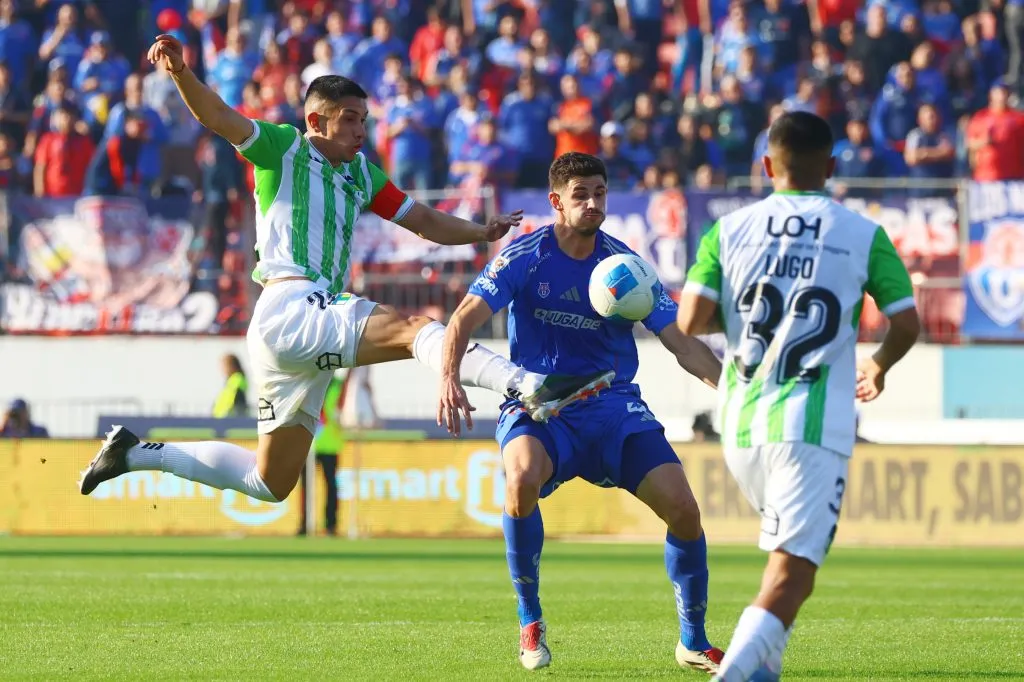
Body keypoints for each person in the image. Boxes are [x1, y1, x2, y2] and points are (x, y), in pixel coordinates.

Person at [79, 35, 611, 507]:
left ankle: (134, 452)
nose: (361, 130)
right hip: (292, 304)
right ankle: (530, 384)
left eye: (365, 119)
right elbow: (219, 117)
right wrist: (180, 73)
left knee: (270, 483)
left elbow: (420, 218)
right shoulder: (283, 148)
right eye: (350, 119)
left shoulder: (359, 172)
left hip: (294, 330)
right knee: (410, 328)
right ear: (316, 121)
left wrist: (480, 231)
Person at [437, 152, 725, 673]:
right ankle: (530, 619)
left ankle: (693, 640)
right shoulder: (524, 256)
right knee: (520, 478)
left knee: (684, 509)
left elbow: (681, 341)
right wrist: (448, 377)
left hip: (613, 407)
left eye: (599, 193)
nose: (593, 204)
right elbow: (463, 317)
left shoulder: (627, 266)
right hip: (540, 405)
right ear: (556, 202)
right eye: (581, 195)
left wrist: (732, 389)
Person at [677, 111, 921, 682]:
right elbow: (906, 322)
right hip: (810, 427)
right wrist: (880, 364)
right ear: (832, 167)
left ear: (767, 166)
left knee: (780, 565)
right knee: (796, 576)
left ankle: (765, 668)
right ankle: (734, 674)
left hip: (740, 424)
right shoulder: (861, 234)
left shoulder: (730, 230)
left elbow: (690, 319)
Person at [297, 370, 345, 536]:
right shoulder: (307, 383)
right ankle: (305, 524)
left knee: (331, 486)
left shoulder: (339, 386)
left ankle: (330, 525)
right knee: (305, 486)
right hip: (308, 443)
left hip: (329, 444)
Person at [212, 354, 248, 418]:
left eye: (224, 366)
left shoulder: (237, 379)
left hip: (229, 418)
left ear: (231, 366)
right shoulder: (230, 380)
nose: (222, 369)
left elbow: (237, 399)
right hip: (223, 417)